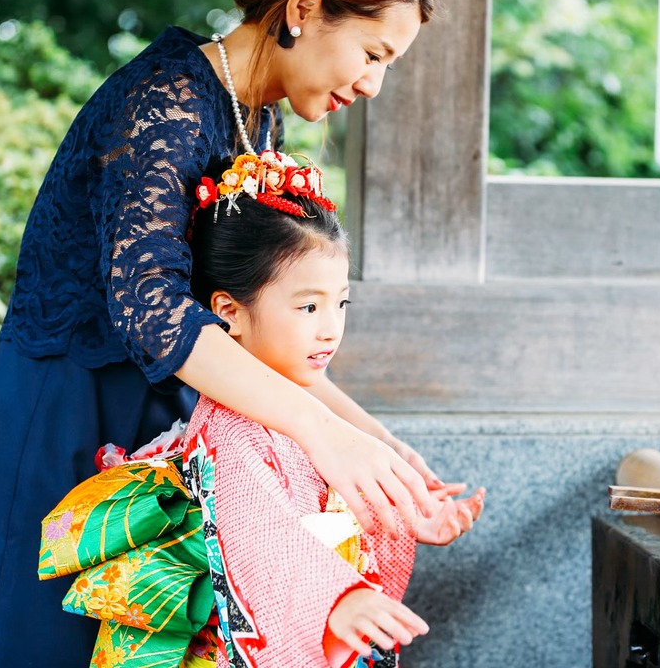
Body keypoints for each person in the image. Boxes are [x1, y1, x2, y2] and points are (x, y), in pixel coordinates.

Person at [0, 0, 446, 665]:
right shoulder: (162, 102)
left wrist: (380, 448)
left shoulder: (258, 120)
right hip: (68, 414)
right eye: (372, 52)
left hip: (174, 423)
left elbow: (250, 327)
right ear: (304, 10)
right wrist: (321, 436)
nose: (374, 82)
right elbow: (153, 310)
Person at [38, 151, 486, 668]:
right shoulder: (231, 427)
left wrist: (408, 517)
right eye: (308, 306)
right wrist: (338, 598)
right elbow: (259, 538)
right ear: (229, 311)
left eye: (340, 303)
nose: (330, 328)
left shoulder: (303, 404)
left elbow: (346, 516)